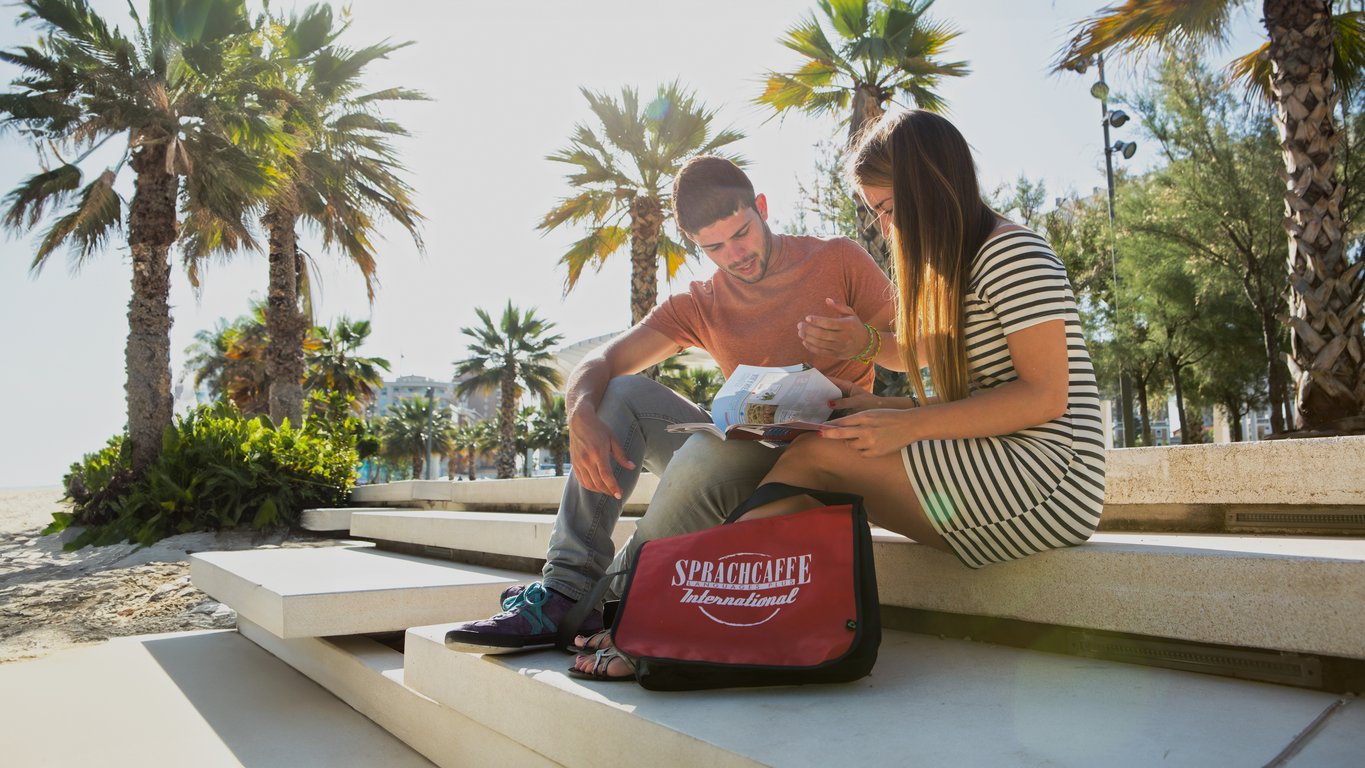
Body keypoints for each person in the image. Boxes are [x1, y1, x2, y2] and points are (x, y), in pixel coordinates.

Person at [570, 109, 1107, 680]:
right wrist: (881, 407)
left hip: (1053, 479)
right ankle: (696, 622)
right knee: (818, 447)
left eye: (892, 209)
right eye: (878, 214)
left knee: (817, 458)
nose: (886, 228)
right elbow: (973, 393)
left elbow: (1046, 399)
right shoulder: (951, 267)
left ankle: (668, 623)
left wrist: (906, 421)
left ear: (935, 182)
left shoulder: (1009, 253)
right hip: (996, 455)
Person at [445, 155, 895, 654]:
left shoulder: (837, 257)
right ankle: (567, 588)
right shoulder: (700, 302)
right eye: (714, 247)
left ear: (762, 208)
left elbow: (919, 349)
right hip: (746, 451)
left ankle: (615, 602)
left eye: (742, 233)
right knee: (620, 393)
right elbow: (604, 358)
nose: (735, 254)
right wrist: (579, 415)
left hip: (823, 462)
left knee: (706, 451)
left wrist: (865, 341)